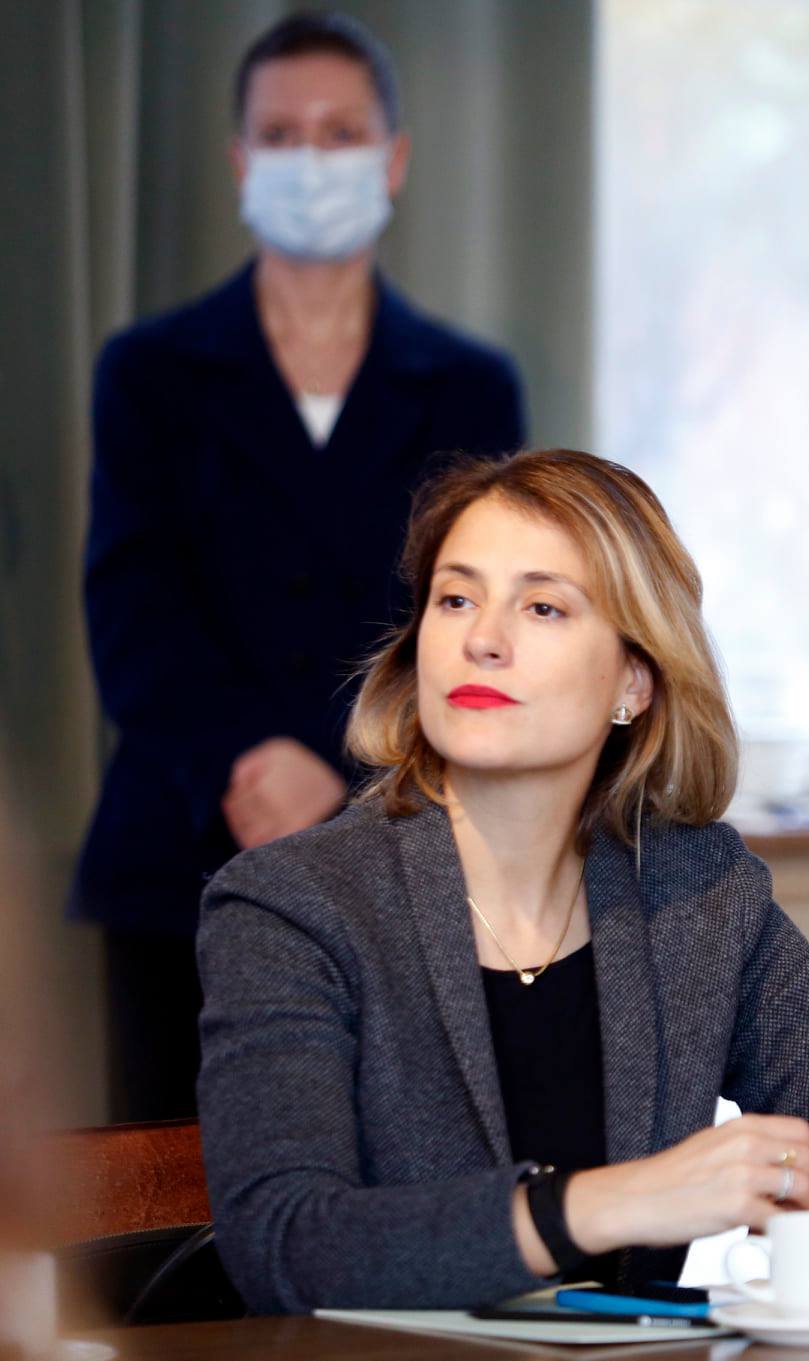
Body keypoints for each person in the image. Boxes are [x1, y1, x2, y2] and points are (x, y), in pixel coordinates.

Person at [195, 450, 809, 1312]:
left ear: (633, 680)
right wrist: (619, 1200)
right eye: (455, 598)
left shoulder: (696, 894)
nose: (482, 638)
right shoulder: (294, 905)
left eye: (542, 606)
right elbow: (286, 1243)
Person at [71, 11, 524, 1121]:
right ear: (240, 162)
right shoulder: (149, 373)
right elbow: (132, 605)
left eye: (339, 132)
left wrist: (337, 762)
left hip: (397, 844)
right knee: (170, 1187)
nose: (310, 160)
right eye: (281, 135)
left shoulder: (469, 385)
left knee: (391, 1177)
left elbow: (475, 613)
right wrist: (246, 759)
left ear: (393, 159)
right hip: (181, 852)